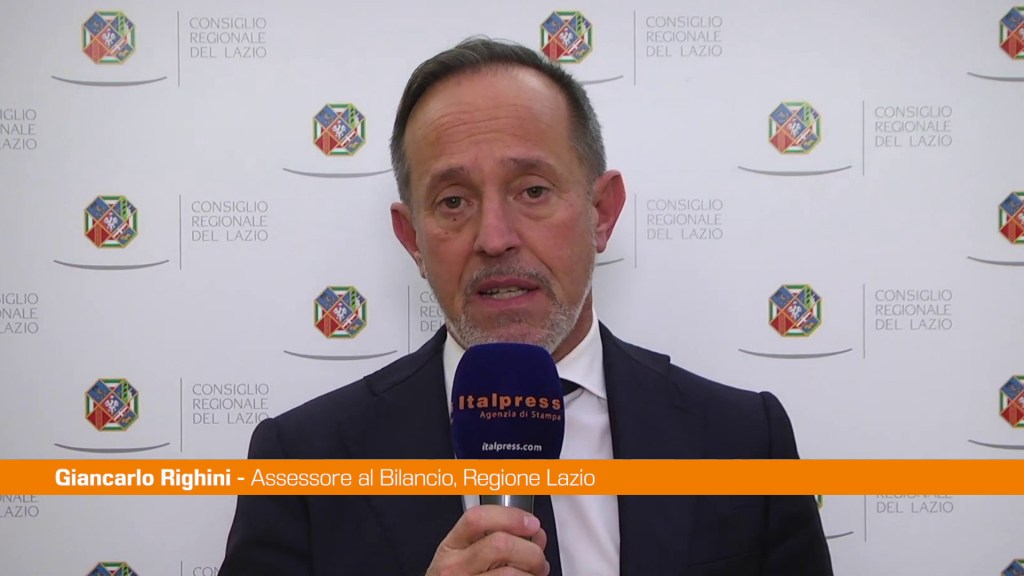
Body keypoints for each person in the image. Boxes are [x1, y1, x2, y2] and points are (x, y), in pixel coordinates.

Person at [220, 37, 833, 576]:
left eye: (533, 191)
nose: (495, 237)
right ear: (412, 240)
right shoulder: (301, 461)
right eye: (454, 201)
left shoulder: (744, 441)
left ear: (602, 213)